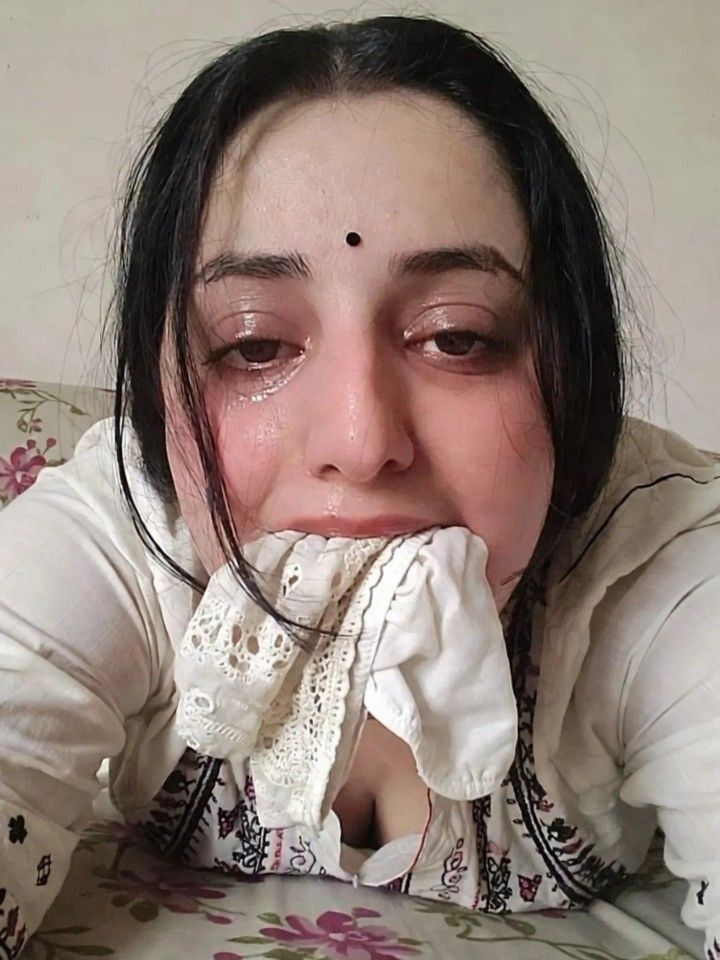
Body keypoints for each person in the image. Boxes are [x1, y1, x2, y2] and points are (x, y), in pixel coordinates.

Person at [1, 14, 718, 959]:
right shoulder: (128, 531)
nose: (361, 441)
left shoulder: (661, 567)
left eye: (457, 336)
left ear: (573, 368)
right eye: (254, 344)